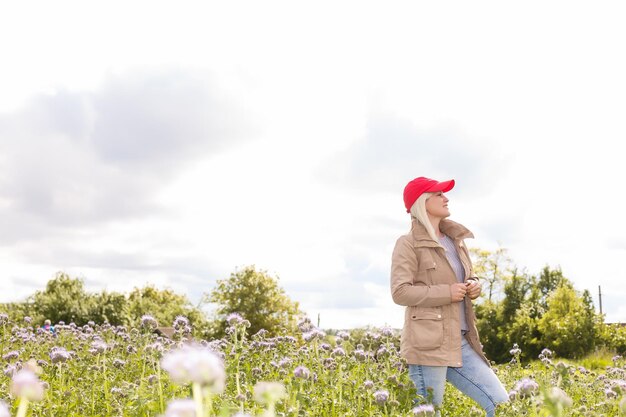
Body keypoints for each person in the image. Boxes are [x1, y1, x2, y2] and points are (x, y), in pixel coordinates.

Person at [390, 177, 508, 416]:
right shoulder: (407, 243)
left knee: (504, 406)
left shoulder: (456, 241)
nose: (446, 198)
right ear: (422, 202)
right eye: (439, 194)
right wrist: (448, 292)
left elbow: (469, 275)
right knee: (428, 412)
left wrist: (474, 285)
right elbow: (400, 292)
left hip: (461, 341)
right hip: (428, 345)